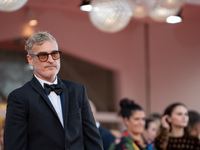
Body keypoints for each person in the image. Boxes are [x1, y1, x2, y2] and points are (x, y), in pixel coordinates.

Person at [4, 31, 103, 150]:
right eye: (43, 55)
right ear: (30, 59)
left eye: (54, 54)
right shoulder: (19, 97)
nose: (51, 60)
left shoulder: (77, 91)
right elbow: (15, 146)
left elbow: (92, 140)